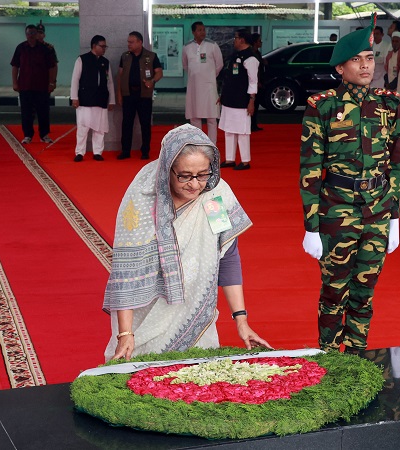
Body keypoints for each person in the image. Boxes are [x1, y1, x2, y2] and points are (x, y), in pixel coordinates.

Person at [103, 124, 271, 361]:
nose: (195, 185)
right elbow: (126, 269)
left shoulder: (213, 196)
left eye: (203, 174)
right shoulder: (144, 197)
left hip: (196, 309)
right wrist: (126, 332)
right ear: (166, 169)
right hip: (147, 316)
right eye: (184, 176)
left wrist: (241, 320)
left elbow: (228, 255)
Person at [300, 15, 400, 353]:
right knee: (334, 292)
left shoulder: (389, 104)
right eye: (356, 60)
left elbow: (397, 165)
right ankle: (330, 361)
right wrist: (311, 226)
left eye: (370, 58)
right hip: (337, 209)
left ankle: (357, 358)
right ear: (340, 68)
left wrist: (395, 218)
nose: (365, 65)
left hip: (377, 209)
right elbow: (311, 168)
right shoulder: (323, 106)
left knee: (365, 291)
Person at [116, 31, 163, 160]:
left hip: (144, 95)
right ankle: (125, 151)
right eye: (128, 42)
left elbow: (159, 72)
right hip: (128, 94)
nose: (128, 44)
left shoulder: (151, 56)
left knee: (145, 124)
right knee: (126, 123)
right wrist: (119, 95)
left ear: (139, 42)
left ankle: (145, 151)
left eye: (131, 42)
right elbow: (120, 76)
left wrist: (152, 81)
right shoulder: (125, 56)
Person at [218, 29, 259, 171]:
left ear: (242, 40)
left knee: (242, 131)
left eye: (235, 38)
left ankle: (245, 160)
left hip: (242, 100)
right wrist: (222, 96)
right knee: (229, 130)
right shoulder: (235, 55)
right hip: (229, 99)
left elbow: (253, 81)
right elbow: (228, 78)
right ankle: (230, 159)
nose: (234, 40)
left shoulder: (251, 58)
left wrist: (251, 100)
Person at [70, 35, 115, 162]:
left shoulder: (105, 62)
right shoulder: (82, 59)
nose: (104, 48)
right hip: (85, 99)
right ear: (94, 46)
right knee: (83, 128)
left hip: (101, 99)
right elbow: (75, 79)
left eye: (105, 46)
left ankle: (97, 152)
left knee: (100, 128)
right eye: (102, 46)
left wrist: (112, 100)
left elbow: (109, 82)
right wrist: (74, 97)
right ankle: (80, 152)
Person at [11, 24, 58, 144]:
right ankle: (27, 135)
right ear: (26, 34)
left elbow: (52, 67)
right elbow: (15, 66)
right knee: (26, 111)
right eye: (29, 33)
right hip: (25, 86)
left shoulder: (45, 49)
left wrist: (52, 83)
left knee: (43, 111)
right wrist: (15, 82)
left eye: (33, 33)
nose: (31, 36)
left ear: (37, 34)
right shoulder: (20, 48)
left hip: (42, 86)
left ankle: (44, 135)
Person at [182, 21, 223, 144]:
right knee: (195, 117)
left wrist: (209, 76)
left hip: (209, 87)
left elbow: (219, 64)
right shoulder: (187, 47)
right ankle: (198, 144)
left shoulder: (213, 45)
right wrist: (197, 75)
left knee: (211, 118)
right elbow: (185, 65)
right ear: (193, 32)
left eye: (204, 29)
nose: (202, 32)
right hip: (194, 87)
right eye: (199, 30)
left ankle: (212, 145)